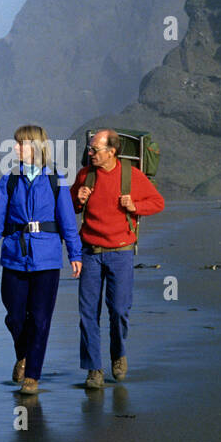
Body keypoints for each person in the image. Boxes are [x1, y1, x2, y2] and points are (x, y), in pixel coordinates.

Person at [0, 125, 82, 394]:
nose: (15, 149)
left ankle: (32, 376)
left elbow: (68, 222)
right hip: (13, 256)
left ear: (35, 146)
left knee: (40, 319)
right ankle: (23, 355)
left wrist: (75, 254)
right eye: (16, 144)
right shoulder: (9, 180)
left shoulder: (57, 179)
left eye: (21, 144)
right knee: (14, 316)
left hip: (47, 259)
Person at [70, 128, 165, 388]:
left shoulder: (131, 176)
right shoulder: (85, 175)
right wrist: (76, 199)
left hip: (121, 253)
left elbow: (157, 202)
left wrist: (136, 206)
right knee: (88, 313)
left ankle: (118, 355)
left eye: (94, 150)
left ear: (112, 152)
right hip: (90, 252)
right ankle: (93, 370)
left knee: (119, 311)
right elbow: (69, 207)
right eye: (89, 149)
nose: (89, 154)